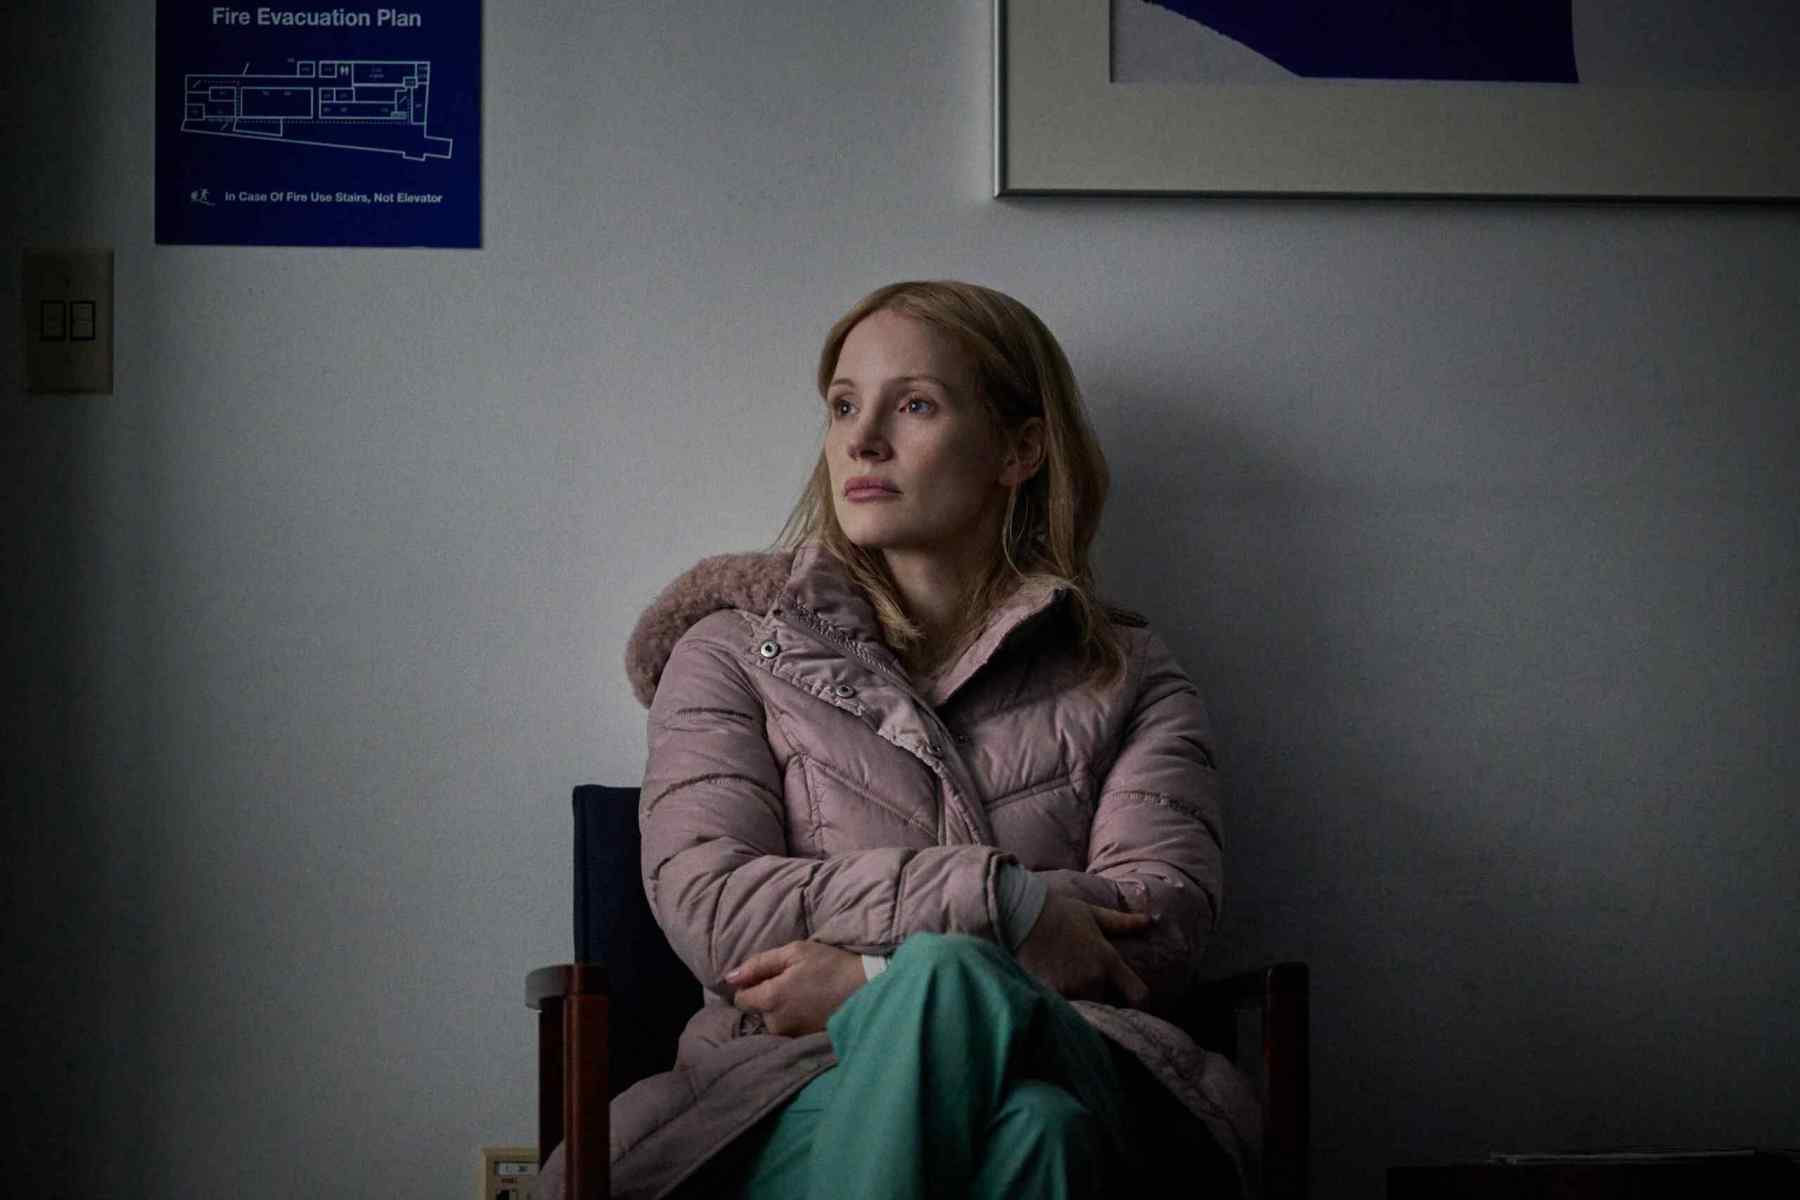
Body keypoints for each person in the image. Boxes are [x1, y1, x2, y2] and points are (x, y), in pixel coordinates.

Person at [552, 281, 1257, 1199]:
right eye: (845, 406)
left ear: (1020, 449)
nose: (862, 440)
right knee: (1038, 1135)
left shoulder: (1125, 671)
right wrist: (1006, 902)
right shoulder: (730, 651)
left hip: (1080, 1055)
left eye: (915, 405)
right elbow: (715, 903)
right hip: (794, 1090)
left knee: (953, 986)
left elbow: (1156, 926)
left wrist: (877, 976)